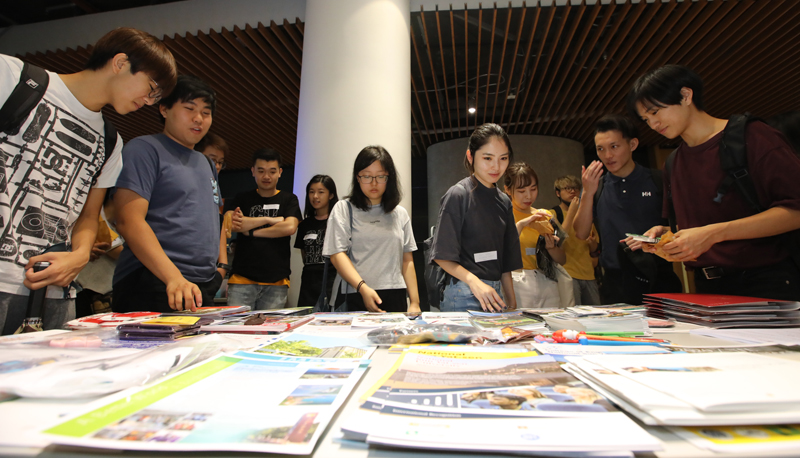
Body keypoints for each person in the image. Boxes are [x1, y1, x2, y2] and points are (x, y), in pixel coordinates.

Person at [0, 27, 177, 334]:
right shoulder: (14, 78)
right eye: (150, 88)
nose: (149, 102)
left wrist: (79, 256)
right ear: (120, 63)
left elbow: (87, 217)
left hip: (54, 293)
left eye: (156, 96)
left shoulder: (111, 142)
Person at [628, 65, 800, 300]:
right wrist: (667, 237)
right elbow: (703, 225)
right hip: (707, 287)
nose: (653, 124)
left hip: (767, 283)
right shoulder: (673, 162)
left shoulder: (753, 136)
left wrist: (712, 234)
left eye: (656, 111)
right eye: (646, 119)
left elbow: (795, 211)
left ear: (686, 95)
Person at [112, 75, 223, 313]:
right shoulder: (144, 149)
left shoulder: (206, 163)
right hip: (153, 280)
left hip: (200, 284)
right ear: (164, 109)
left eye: (206, 112)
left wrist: (218, 270)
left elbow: (212, 220)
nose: (198, 119)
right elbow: (128, 220)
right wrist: (173, 277)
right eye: (189, 109)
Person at [573, 114, 682, 305]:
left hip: (659, 277)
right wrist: (588, 193)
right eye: (600, 149)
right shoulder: (596, 186)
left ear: (632, 144)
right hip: (615, 282)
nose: (607, 155)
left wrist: (656, 238)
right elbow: (581, 233)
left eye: (614, 147)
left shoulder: (658, 180)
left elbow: (679, 227)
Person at [429, 123, 522, 312]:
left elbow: (505, 262)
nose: (496, 166)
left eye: (503, 158)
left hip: (496, 296)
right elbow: (442, 256)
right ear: (471, 156)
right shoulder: (458, 195)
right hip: (463, 293)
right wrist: (475, 282)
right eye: (487, 158)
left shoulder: (504, 201)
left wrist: (512, 304)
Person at [322, 146, 419, 313]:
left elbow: (407, 260)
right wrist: (363, 288)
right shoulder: (344, 209)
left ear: (389, 178)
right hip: (354, 293)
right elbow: (337, 255)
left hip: (395, 295)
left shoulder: (400, 214)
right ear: (357, 178)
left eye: (380, 176)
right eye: (367, 176)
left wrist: (415, 302)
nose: (374, 183)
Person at [224, 148, 302, 310]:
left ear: (280, 172)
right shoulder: (242, 198)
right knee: (235, 332)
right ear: (253, 171)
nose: (266, 176)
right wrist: (269, 219)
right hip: (241, 280)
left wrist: (251, 230)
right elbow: (233, 223)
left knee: (270, 333)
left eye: (272, 171)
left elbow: (289, 227)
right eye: (261, 171)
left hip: (276, 282)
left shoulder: (289, 199)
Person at [503, 162, 572, 309]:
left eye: (533, 189)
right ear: (508, 190)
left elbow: (563, 259)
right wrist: (521, 225)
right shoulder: (503, 217)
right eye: (521, 191)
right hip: (517, 282)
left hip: (547, 282)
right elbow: (502, 253)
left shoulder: (546, 215)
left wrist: (552, 248)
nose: (528, 196)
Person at [552, 175, 601, 305]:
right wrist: (572, 212)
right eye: (567, 188)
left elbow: (595, 249)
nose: (572, 191)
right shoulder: (553, 213)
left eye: (575, 188)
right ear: (558, 193)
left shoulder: (586, 214)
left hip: (589, 274)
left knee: (596, 315)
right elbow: (557, 241)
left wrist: (592, 244)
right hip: (568, 275)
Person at [294, 175, 339, 306]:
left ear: (331, 195)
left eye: (321, 192)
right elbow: (304, 255)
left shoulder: (338, 222)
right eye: (312, 192)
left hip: (331, 281)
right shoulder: (304, 224)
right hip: (308, 284)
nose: (315, 196)